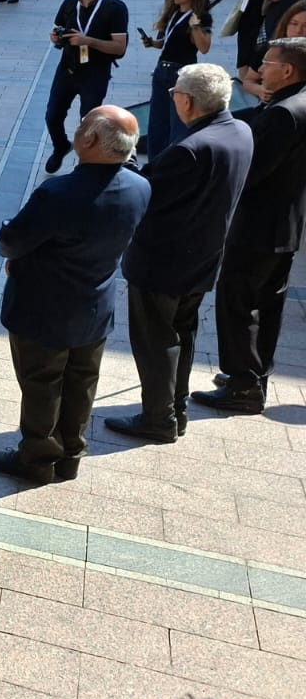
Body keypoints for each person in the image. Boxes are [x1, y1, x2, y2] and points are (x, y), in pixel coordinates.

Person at [0, 106, 149, 483]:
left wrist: (15, 248)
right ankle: (71, 453)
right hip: (95, 303)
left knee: (42, 383)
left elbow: (13, 241)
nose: (77, 128)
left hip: (44, 308)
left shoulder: (60, 192)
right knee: (81, 381)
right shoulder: (140, 186)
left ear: (90, 139)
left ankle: (37, 459)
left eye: (82, 124)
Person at [108, 65, 251, 442]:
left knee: (155, 342)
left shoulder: (190, 148)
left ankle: (158, 419)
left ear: (186, 100)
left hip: (163, 263)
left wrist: (124, 162)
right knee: (182, 335)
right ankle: (176, 411)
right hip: (202, 257)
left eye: (174, 93)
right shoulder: (240, 130)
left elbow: (146, 192)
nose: (172, 99)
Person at [196, 37, 306, 414]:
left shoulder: (283, 113)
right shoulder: (292, 103)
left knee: (237, 302)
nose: (260, 70)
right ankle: (255, 374)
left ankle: (242, 384)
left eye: (268, 63)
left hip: (259, 225)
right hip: (286, 224)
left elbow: (253, 171)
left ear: (288, 70)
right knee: (268, 303)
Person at [43, 0, 129, 174]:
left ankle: (86, 163)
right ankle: (61, 145)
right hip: (68, 69)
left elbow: (119, 48)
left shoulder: (116, 8)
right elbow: (56, 32)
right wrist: (56, 38)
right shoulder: (69, 4)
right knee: (52, 116)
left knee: (87, 122)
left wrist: (88, 41)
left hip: (95, 72)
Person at [142, 0, 212, 156]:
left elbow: (204, 47)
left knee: (178, 122)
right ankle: (154, 164)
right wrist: (153, 43)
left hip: (181, 74)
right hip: (162, 70)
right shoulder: (173, 13)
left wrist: (196, 26)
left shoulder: (200, 17)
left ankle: (175, 162)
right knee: (156, 122)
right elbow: (167, 41)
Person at [241, 0, 306, 98]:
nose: (298, 30)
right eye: (294, 23)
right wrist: (260, 90)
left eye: (305, 26)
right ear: (285, 24)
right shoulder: (270, 49)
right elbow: (248, 81)